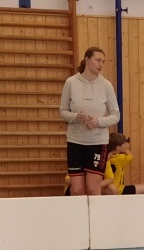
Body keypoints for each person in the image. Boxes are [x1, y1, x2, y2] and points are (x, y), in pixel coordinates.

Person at [59, 47, 121, 196]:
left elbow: (115, 115)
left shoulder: (106, 85)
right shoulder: (71, 82)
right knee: (77, 189)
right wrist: (75, 117)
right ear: (87, 59)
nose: (101, 64)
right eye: (98, 60)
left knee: (93, 188)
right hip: (75, 141)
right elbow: (63, 111)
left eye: (103, 62)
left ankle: (97, 212)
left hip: (97, 142)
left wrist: (98, 121)